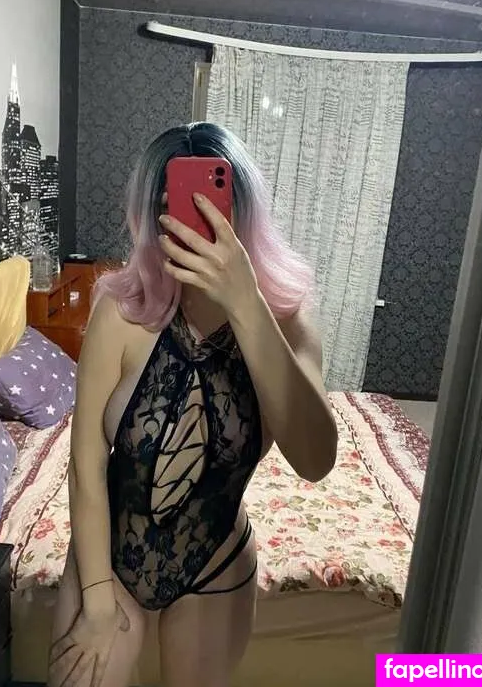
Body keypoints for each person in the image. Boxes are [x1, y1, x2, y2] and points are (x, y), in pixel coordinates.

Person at [47, 122, 338, 687]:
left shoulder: (288, 320)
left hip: (216, 562)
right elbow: (86, 462)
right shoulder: (120, 313)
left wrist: (245, 302)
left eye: (212, 205)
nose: (187, 223)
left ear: (242, 211)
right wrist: (98, 602)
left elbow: (315, 460)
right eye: (170, 205)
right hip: (107, 560)